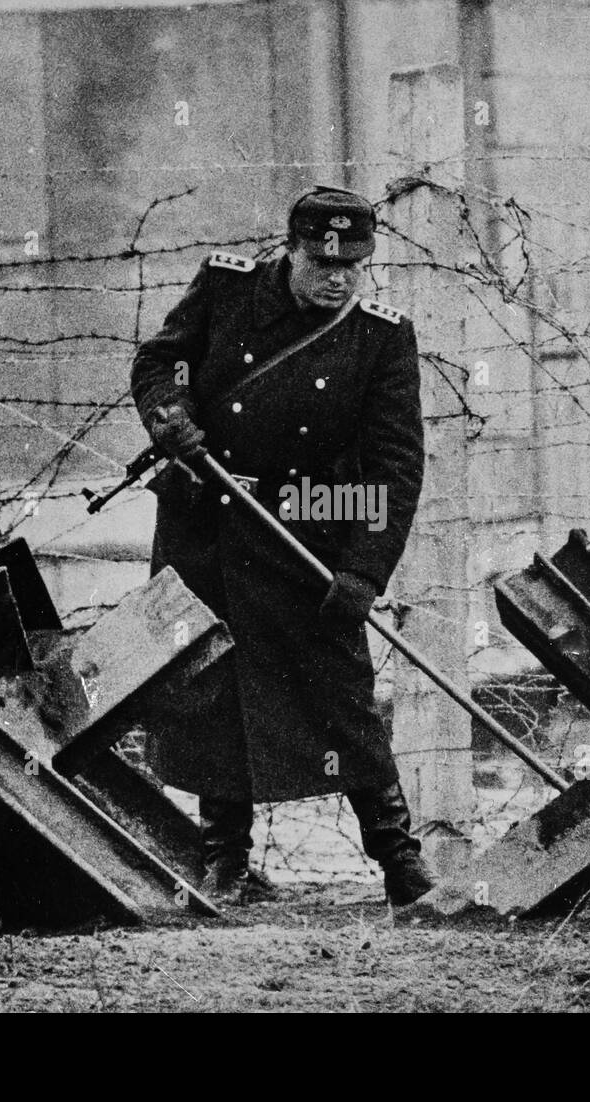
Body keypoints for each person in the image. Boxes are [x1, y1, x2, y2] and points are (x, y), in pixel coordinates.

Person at [128, 186, 434, 906]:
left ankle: (400, 861)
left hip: (305, 534)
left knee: (340, 693)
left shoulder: (381, 338)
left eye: (351, 265)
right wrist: (169, 417)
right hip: (206, 523)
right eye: (321, 262)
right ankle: (225, 860)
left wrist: (364, 568)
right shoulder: (227, 288)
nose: (336, 277)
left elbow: (395, 466)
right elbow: (162, 362)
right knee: (213, 691)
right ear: (290, 249)